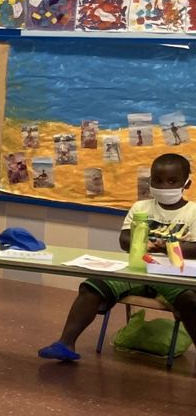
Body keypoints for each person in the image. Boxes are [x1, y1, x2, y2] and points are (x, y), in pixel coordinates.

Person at [39, 153, 196, 362]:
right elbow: (124, 240)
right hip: (136, 270)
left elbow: (194, 249)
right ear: (150, 181)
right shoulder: (141, 207)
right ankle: (65, 344)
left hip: (172, 274)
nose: (164, 186)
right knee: (91, 287)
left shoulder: (193, 212)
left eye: (172, 181)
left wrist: (167, 247)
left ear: (187, 183)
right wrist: (142, 243)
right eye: (158, 181)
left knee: (191, 300)